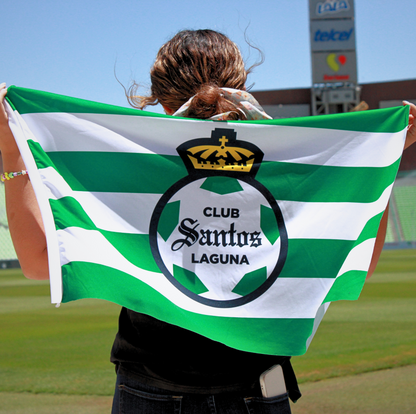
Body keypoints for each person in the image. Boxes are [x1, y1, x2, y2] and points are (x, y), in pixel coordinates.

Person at [1, 29, 416, 414]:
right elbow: (360, 263)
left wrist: (10, 154)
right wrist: (382, 160)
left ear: (158, 99)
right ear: (243, 85)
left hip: (148, 396)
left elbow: (39, 263)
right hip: (258, 393)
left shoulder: (123, 164)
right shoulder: (293, 167)